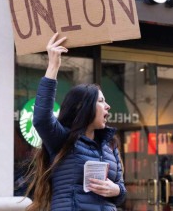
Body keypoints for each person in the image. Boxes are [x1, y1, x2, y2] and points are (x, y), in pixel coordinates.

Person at [25, 33, 126, 211]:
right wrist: (53, 66)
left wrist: (116, 190)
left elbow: (120, 192)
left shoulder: (110, 145)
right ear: (83, 107)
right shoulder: (63, 139)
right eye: (101, 101)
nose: (108, 106)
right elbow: (41, 118)